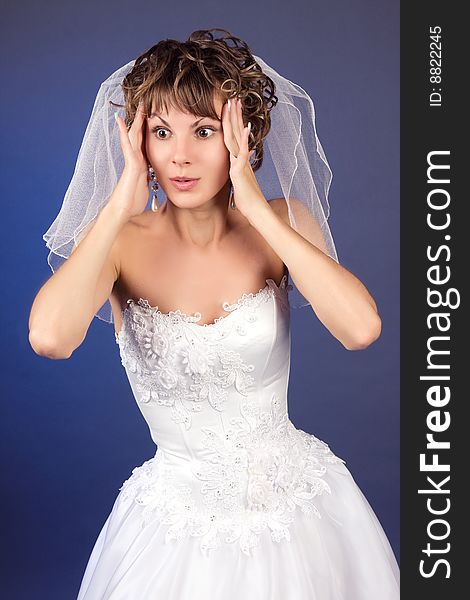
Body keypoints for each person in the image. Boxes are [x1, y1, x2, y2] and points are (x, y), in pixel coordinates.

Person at [29, 28, 399, 599]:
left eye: (204, 131)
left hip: (297, 511)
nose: (180, 155)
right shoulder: (118, 244)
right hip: (176, 526)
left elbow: (361, 328)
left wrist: (257, 205)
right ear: (138, 143)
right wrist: (120, 200)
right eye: (160, 132)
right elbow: (50, 338)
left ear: (243, 138)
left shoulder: (283, 223)